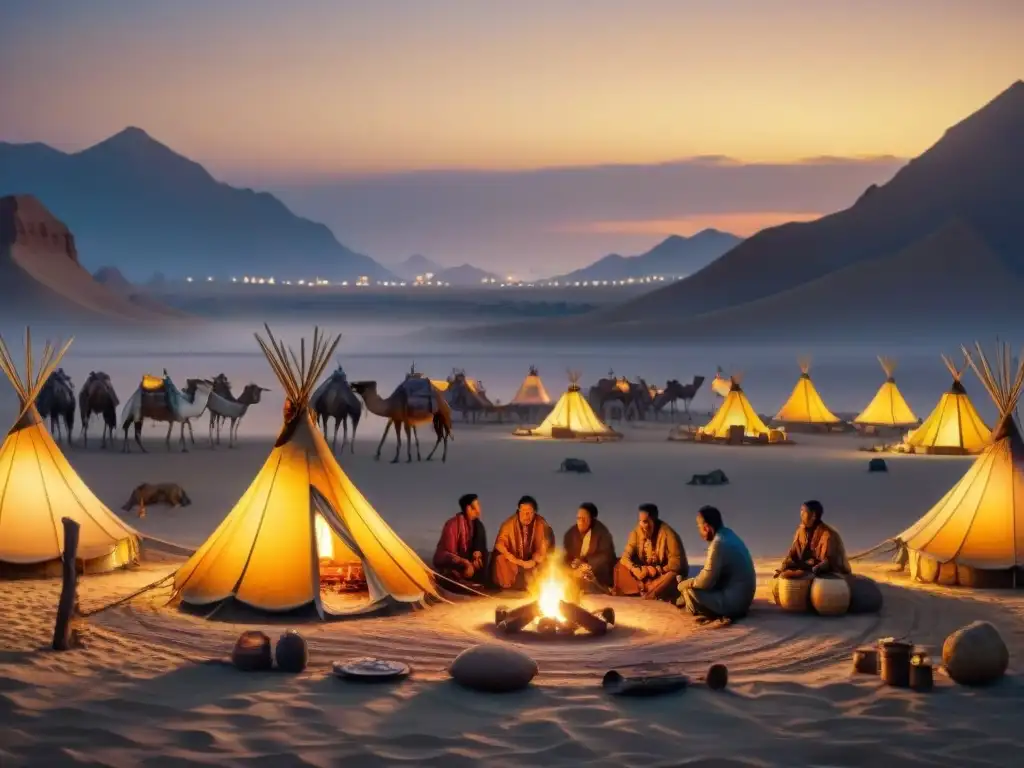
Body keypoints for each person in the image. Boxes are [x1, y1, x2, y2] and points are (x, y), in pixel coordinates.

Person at [677, 505, 756, 626]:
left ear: (707, 527)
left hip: (734, 603)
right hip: (743, 598)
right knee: (694, 575)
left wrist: (684, 584)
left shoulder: (718, 544)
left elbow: (705, 582)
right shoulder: (728, 534)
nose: (699, 531)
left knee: (689, 590)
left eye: (699, 527)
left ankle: (697, 608)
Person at [613, 504, 687, 601]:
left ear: (654, 521)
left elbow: (676, 564)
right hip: (644, 574)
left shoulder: (668, 534)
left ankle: (651, 592)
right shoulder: (636, 532)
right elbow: (625, 557)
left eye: (645, 522)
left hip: (662, 575)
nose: (642, 525)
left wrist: (657, 570)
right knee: (619, 566)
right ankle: (644, 588)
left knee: (673, 576)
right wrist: (634, 569)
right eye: (640, 521)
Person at [776, 500, 851, 577]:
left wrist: (814, 569)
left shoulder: (828, 535)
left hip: (825, 575)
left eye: (804, 511)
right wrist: (784, 566)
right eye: (800, 510)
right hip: (807, 571)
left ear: (814, 515)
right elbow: (792, 554)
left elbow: (830, 562)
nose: (801, 514)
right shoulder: (800, 531)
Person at [490, 495, 550, 590]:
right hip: (514, 562)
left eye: (530, 512)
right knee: (500, 560)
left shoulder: (541, 524)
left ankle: (537, 586)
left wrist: (534, 560)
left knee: (549, 562)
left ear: (534, 513)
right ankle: (509, 586)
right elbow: (500, 544)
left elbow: (543, 546)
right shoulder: (508, 524)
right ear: (518, 511)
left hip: (532, 564)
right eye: (524, 512)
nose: (527, 515)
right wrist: (515, 560)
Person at [433, 493, 488, 587]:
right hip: (455, 567)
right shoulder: (452, 525)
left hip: (470, 567)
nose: (479, 510)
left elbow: (480, 544)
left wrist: (478, 554)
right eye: (476, 505)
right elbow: (443, 554)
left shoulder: (478, 525)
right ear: (468, 508)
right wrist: (464, 562)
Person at [563, 502, 616, 590]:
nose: (581, 521)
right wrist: (572, 566)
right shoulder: (570, 533)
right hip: (576, 571)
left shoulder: (603, 533)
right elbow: (567, 555)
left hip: (597, 572)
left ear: (592, 519)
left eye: (585, 518)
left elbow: (606, 556)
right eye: (579, 518)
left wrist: (586, 563)